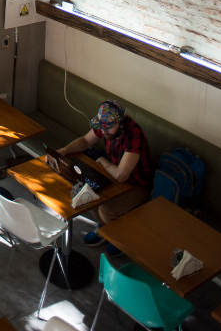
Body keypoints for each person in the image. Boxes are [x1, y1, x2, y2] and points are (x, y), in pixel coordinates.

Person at [52, 100, 153, 257]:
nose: (103, 131)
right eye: (101, 127)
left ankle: (119, 237)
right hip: (113, 175)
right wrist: (65, 150)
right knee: (88, 193)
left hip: (137, 185)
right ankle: (104, 229)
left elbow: (121, 175)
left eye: (108, 127)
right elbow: (86, 141)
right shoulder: (106, 126)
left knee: (107, 210)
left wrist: (104, 162)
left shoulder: (134, 135)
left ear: (121, 123)